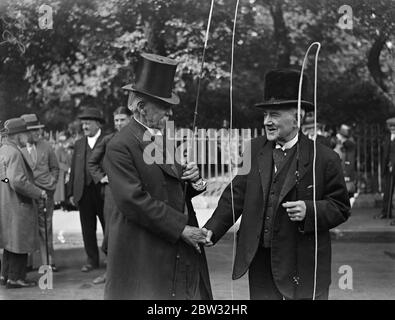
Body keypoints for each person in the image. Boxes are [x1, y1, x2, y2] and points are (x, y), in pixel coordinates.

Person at [203, 69, 351, 300]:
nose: (267, 121)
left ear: (297, 118)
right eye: (264, 115)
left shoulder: (325, 158)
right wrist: (211, 229)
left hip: (303, 263)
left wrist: (309, 210)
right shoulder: (253, 149)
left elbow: (340, 207)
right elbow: (235, 195)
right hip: (260, 260)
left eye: (274, 114)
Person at [103, 53, 212, 299]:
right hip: (144, 249)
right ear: (141, 107)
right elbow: (133, 200)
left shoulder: (159, 138)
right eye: (163, 107)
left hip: (168, 243)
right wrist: (181, 229)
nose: (169, 114)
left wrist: (194, 180)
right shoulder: (120, 145)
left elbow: (170, 186)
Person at [0, 118, 47, 288]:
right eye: (25, 133)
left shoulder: (4, 150)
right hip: (18, 205)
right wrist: (38, 192)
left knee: (9, 242)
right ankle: (16, 278)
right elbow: (17, 181)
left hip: (6, 204)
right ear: (17, 135)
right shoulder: (14, 153)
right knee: (19, 242)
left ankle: (5, 275)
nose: (27, 136)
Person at [88, 106, 131, 285]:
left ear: (130, 118)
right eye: (117, 120)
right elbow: (92, 162)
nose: (119, 123)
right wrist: (102, 178)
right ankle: (110, 273)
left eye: (122, 119)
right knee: (111, 233)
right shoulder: (108, 139)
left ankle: (133, 273)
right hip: (112, 195)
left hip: (134, 193)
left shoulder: (140, 138)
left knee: (133, 232)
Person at [68, 107, 106, 272]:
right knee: (87, 229)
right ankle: (92, 260)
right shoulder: (78, 144)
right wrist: (70, 192)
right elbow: (74, 169)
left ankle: (111, 259)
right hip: (83, 192)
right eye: (83, 124)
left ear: (98, 124)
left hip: (104, 192)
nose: (84, 126)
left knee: (109, 227)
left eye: (88, 123)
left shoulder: (109, 140)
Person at [20, 114, 59, 271]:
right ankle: (28, 263)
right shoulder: (18, 149)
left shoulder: (46, 146)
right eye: (33, 130)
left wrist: (52, 181)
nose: (38, 133)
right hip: (26, 195)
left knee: (46, 228)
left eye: (38, 130)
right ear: (25, 132)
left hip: (45, 194)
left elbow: (55, 167)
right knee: (27, 228)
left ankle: (49, 262)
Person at [376, 117, 395, 225]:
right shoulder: (387, 137)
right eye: (391, 127)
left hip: (393, 167)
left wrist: (392, 163)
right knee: (387, 192)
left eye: (394, 127)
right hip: (388, 170)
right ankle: (386, 212)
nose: (393, 129)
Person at [54, 132, 72, 208]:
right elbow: (57, 162)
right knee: (62, 190)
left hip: (67, 172)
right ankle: (61, 203)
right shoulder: (58, 149)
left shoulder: (67, 149)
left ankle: (67, 203)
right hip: (61, 173)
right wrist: (67, 168)